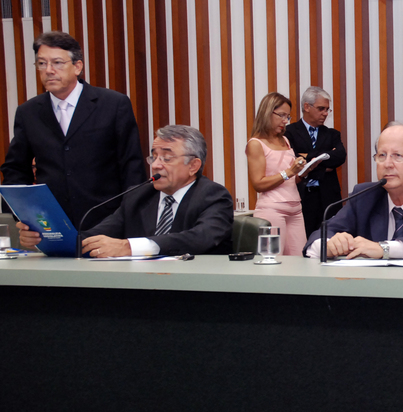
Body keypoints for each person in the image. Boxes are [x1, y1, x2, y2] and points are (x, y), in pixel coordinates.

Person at [2, 31, 146, 241]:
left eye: (57, 63)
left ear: (77, 67)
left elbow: (132, 168)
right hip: (51, 227)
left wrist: (129, 222)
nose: (48, 70)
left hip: (108, 224)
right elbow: (15, 169)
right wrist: (25, 216)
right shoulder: (28, 112)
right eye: (42, 63)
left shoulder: (113, 104)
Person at [304, 122, 403, 259]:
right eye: (382, 155)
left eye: (397, 155)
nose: (387, 164)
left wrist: (384, 249)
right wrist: (329, 246)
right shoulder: (364, 196)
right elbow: (319, 237)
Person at [75, 125, 232, 257]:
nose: (156, 165)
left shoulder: (213, 196)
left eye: (167, 158)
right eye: (154, 157)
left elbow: (200, 238)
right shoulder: (138, 195)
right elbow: (98, 234)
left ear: (193, 166)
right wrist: (66, 242)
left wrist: (129, 247)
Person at [246, 92, 307, 255]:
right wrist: (289, 172)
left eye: (288, 117)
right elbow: (258, 184)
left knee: (300, 260)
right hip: (272, 210)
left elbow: (290, 180)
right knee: (272, 260)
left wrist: (302, 172)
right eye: (281, 115)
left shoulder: (284, 140)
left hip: (295, 208)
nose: (285, 121)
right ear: (268, 112)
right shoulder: (256, 144)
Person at [284, 86, 347, 236]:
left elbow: (339, 157)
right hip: (301, 197)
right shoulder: (289, 132)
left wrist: (308, 158)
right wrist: (324, 165)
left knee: (329, 240)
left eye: (327, 109)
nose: (325, 113)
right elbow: (293, 161)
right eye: (321, 109)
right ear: (307, 107)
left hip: (328, 198)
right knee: (302, 240)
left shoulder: (332, 134)